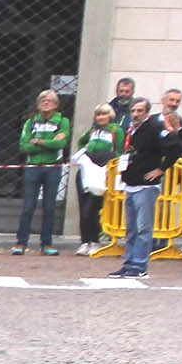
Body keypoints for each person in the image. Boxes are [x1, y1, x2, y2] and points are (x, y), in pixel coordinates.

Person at [110, 100, 182, 281]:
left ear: (147, 112)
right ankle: (129, 264)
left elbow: (176, 147)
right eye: (133, 110)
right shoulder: (131, 129)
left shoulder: (154, 128)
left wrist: (161, 169)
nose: (135, 114)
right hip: (131, 184)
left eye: (139, 111)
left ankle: (140, 265)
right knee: (131, 229)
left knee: (143, 228)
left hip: (146, 186)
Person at [13, 90, 71, 255]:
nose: (46, 103)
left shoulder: (63, 122)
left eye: (50, 100)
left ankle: (46, 243)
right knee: (28, 206)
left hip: (53, 167)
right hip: (33, 167)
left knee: (49, 206)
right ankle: (21, 242)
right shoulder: (30, 123)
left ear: (56, 104)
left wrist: (38, 141)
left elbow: (60, 144)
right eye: (43, 100)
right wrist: (49, 142)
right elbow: (24, 146)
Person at [71, 103, 122, 256]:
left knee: (93, 208)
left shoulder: (116, 130)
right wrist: (84, 152)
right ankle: (85, 241)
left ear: (110, 116)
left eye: (104, 114)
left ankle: (95, 240)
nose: (100, 117)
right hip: (87, 171)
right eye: (98, 114)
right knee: (83, 206)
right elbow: (81, 142)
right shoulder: (92, 130)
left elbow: (119, 151)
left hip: (102, 172)